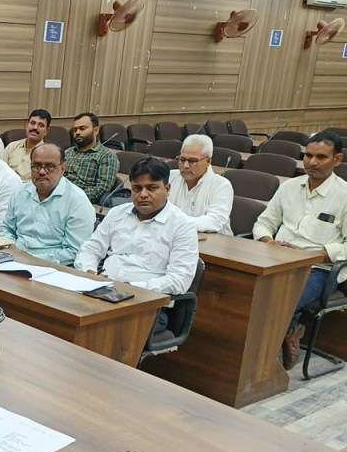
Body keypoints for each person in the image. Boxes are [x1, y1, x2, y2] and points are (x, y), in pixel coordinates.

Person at [252, 130, 347, 370]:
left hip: (319, 269)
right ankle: (291, 331)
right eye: (308, 155)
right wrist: (269, 242)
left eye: (321, 157)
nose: (312, 162)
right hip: (276, 260)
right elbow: (263, 223)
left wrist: (314, 255)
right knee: (245, 294)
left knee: (282, 300)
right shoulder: (289, 187)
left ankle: (265, 364)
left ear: (337, 160)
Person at [74, 158, 199, 331]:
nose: (143, 194)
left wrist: (129, 287)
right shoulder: (117, 214)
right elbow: (90, 249)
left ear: (167, 189)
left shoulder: (182, 226)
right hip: (102, 292)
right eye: (137, 188)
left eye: (152, 188)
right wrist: (89, 272)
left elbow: (179, 280)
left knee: (99, 327)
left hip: (146, 305)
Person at [0, 143, 94, 265]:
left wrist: (30, 259)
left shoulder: (77, 201)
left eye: (50, 167)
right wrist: (11, 247)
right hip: (12, 259)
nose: (42, 172)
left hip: (52, 267)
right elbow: (6, 229)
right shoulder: (20, 192)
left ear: (62, 169)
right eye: (36, 166)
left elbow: (74, 252)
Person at [169, 134, 234, 235]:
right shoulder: (169, 177)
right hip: (172, 235)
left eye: (193, 161)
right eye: (182, 159)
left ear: (208, 161)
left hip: (212, 240)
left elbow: (214, 221)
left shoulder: (221, 185)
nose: (185, 166)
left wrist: (176, 223)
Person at [64, 112, 119, 204]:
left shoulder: (106, 155)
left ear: (96, 130)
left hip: (83, 203)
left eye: (82, 128)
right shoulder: (67, 153)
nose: (77, 132)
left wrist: (73, 198)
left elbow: (102, 188)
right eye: (75, 130)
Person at [1, 109, 51, 180]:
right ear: (27, 125)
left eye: (41, 125)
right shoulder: (11, 146)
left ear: (46, 131)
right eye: (32, 123)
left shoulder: (48, 155)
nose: (35, 127)